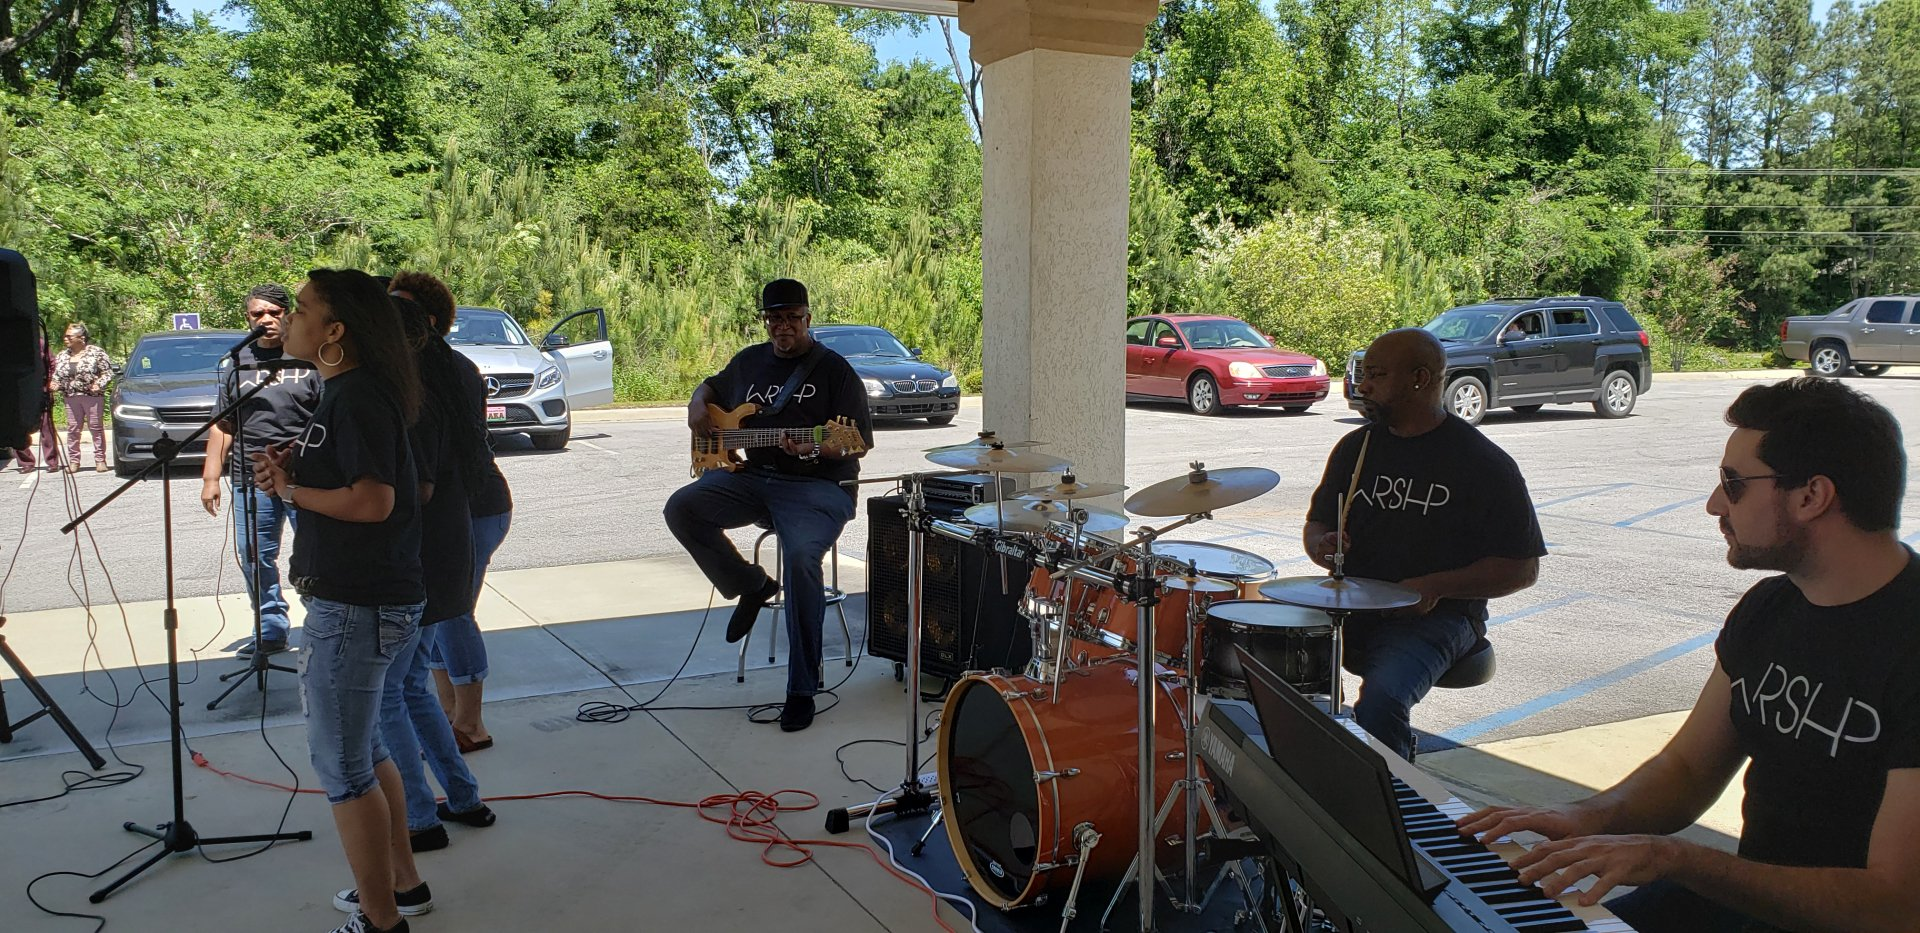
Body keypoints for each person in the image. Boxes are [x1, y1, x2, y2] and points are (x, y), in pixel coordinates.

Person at [1458, 377, 1920, 933]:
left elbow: (1896, 906)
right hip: (1752, 902)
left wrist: (1676, 857)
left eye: (1733, 484)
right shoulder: (1770, 607)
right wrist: (1579, 818)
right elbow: (1687, 769)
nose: (1713, 504)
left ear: (1810, 497)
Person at [251, 268, 429, 933]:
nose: (288, 319)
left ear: (335, 331)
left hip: (357, 605)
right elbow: (351, 482)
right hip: (364, 600)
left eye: (301, 309)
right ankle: (402, 887)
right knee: (367, 750)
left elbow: (373, 500)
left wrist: (291, 492)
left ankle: (381, 922)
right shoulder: (343, 394)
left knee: (343, 767)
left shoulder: (357, 397)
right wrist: (292, 473)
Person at [1303, 328, 1545, 760]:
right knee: (1267, 662)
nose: (1363, 386)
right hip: (1352, 599)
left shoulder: (1482, 463)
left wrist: (1433, 587)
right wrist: (1322, 543)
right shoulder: (1357, 448)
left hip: (1440, 616)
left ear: (1419, 379)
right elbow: (1317, 523)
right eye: (1363, 374)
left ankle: (1392, 794)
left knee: (1382, 700)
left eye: (1376, 374)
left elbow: (1521, 568)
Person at [664, 278, 873, 733]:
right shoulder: (749, 362)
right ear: (766, 321)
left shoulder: (834, 371)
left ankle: (801, 689)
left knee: (800, 560)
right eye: (775, 319)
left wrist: (815, 448)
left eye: (793, 318)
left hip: (819, 487)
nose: (784, 327)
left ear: (808, 318)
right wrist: (697, 403)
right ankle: (752, 584)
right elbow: (711, 388)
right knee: (682, 508)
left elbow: (856, 442)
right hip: (754, 479)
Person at [356, 283, 494, 862]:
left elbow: (418, 488)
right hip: (441, 545)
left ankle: (418, 816)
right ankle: (461, 796)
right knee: (411, 682)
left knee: (390, 689)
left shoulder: (410, 396)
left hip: (417, 554)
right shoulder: (446, 374)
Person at [391, 270, 509, 752]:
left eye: (401, 309)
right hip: (454, 507)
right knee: (438, 614)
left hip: (475, 507)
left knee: (454, 613)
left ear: (428, 321)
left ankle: (471, 724)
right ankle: (447, 715)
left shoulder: (447, 369)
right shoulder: (422, 367)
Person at [203, 285, 324, 656]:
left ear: (288, 315)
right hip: (251, 476)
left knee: (315, 555)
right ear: (248, 318)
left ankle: (322, 627)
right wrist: (211, 478)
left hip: (306, 477)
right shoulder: (237, 362)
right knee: (255, 555)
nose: (266, 319)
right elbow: (223, 425)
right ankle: (271, 629)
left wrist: (296, 457)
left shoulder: (306, 356)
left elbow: (328, 418)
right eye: (258, 314)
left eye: (274, 312)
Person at [53, 322, 113, 473]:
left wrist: (99, 384)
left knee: (96, 428)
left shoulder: (96, 352)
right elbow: (57, 376)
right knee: (73, 429)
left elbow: (108, 372)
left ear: (81, 338)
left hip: (92, 396)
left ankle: (100, 460)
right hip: (71, 396)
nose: (65, 339)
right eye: (65, 336)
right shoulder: (62, 355)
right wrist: (54, 384)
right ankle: (74, 461)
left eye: (69, 336)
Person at [11, 333, 60, 473]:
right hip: (17, 391)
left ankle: (52, 462)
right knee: (18, 427)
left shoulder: (40, 343)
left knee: (46, 426)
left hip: (41, 388)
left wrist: (50, 381)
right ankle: (25, 463)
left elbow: (52, 363)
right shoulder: (9, 345)